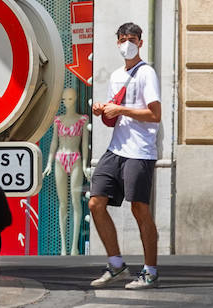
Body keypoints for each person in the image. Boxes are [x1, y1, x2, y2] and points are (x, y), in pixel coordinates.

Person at [88, 23, 162, 290]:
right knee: (96, 203)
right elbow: (113, 115)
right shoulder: (117, 75)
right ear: (117, 42)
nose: (126, 43)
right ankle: (116, 264)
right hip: (115, 149)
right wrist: (102, 109)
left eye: (131, 39)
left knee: (139, 208)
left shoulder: (146, 73)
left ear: (140, 42)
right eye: (122, 39)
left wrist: (121, 109)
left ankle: (150, 270)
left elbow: (155, 114)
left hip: (140, 151)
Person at [41, 86, 89, 256]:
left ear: (75, 99)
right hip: (60, 159)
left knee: (76, 201)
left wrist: (84, 165)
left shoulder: (82, 120)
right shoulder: (58, 120)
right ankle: (63, 246)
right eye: (63, 99)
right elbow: (54, 142)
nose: (66, 102)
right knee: (63, 203)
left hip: (75, 158)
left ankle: (74, 246)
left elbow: (84, 144)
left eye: (69, 99)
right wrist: (48, 163)